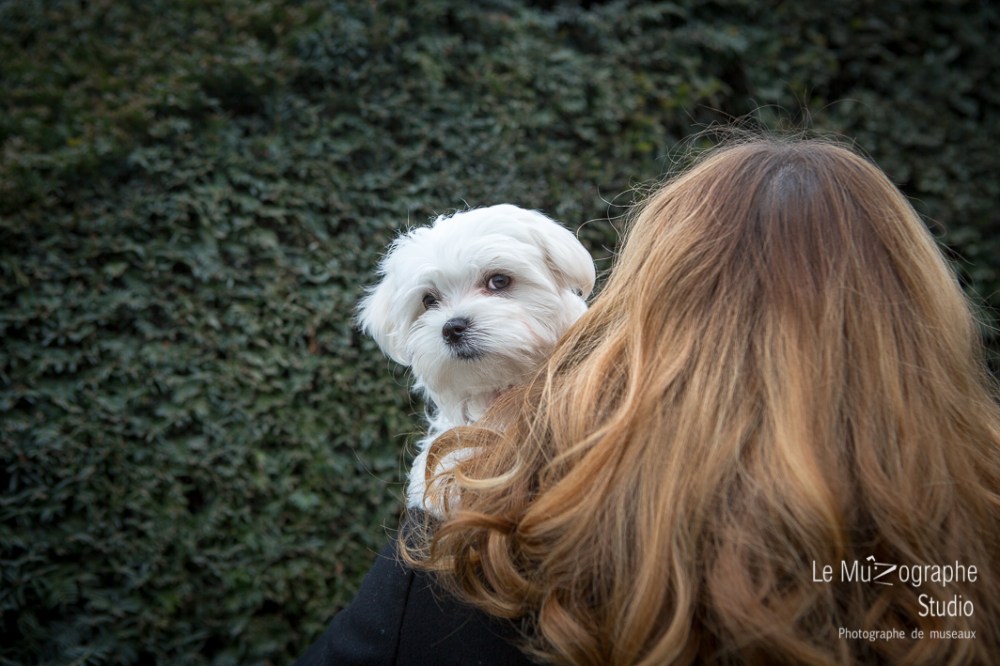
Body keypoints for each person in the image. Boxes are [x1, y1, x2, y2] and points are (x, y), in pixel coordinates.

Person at [298, 136, 1000, 665]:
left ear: (644, 302)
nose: (464, 315)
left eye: (496, 284)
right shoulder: (970, 528)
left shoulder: (496, 532)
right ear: (928, 315)